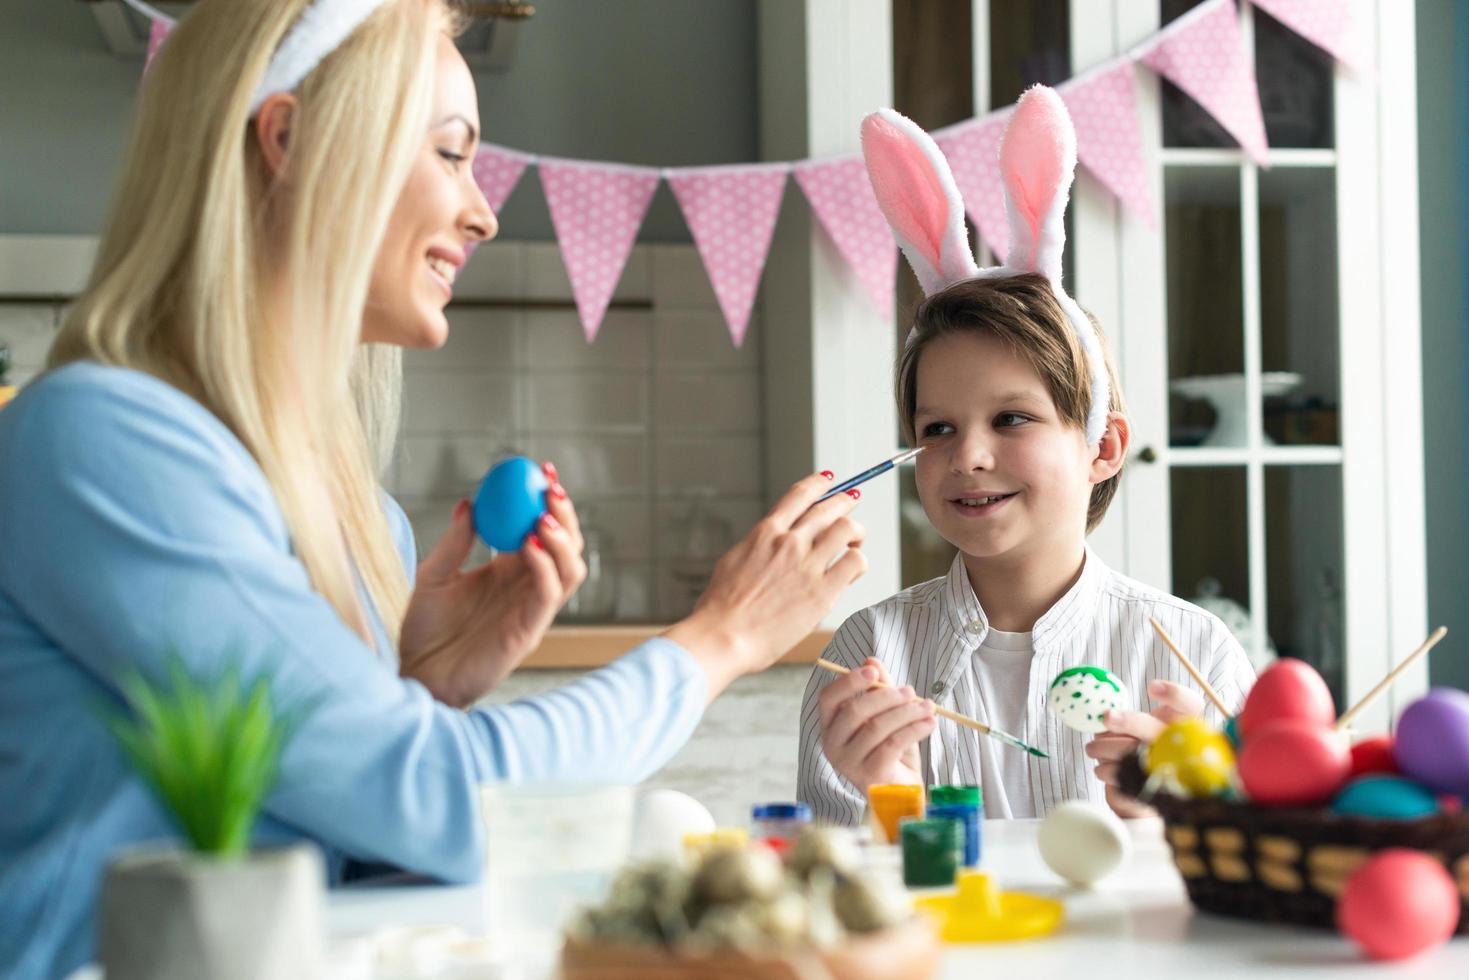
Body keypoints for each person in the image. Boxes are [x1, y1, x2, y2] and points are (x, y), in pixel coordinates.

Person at [0, 2, 866, 977]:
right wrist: (720, 637)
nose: (482, 210)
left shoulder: (360, 518)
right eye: (450, 153)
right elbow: (443, 796)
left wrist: (417, 686)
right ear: (289, 138)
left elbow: (340, 846)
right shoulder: (103, 442)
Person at [797, 90, 1255, 824]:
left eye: (1010, 418)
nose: (968, 455)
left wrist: (1170, 818)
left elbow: (1240, 886)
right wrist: (891, 797)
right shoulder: (871, 651)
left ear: (1102, 446)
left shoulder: (1190, 652)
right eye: (937, 428)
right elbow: (838, 906)